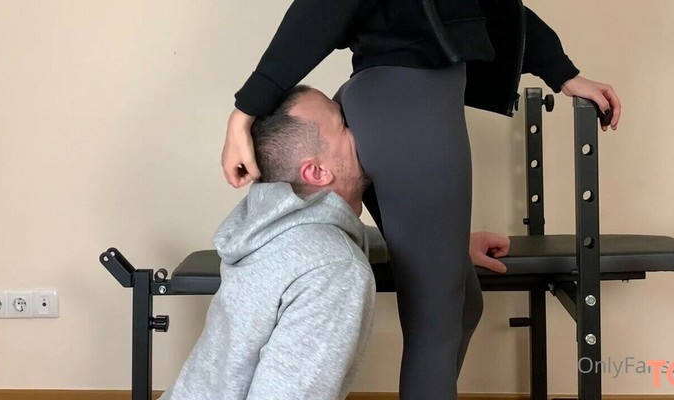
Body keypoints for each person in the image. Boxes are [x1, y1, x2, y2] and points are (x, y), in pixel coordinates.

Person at [221, 0, 622, 398]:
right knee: (436, 324)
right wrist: (246, 109)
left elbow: (485, 2)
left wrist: (562, 72)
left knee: (460, 304)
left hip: (399, 112)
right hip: (409, 113)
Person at [169, 85, 512, 400]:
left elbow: (342, 243)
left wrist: (446, 244)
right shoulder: (332, 269)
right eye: (344, 123)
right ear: (317, 172)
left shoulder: (274, 232)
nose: (363, 128)